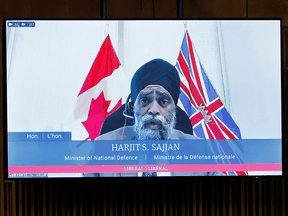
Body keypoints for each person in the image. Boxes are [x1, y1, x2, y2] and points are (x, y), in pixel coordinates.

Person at [84, 59, 223, 177]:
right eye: (145, 101)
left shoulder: (201, 150)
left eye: (163, 101)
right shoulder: (102, 147)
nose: (154, 110)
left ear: (174, 109)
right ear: (133, 108)